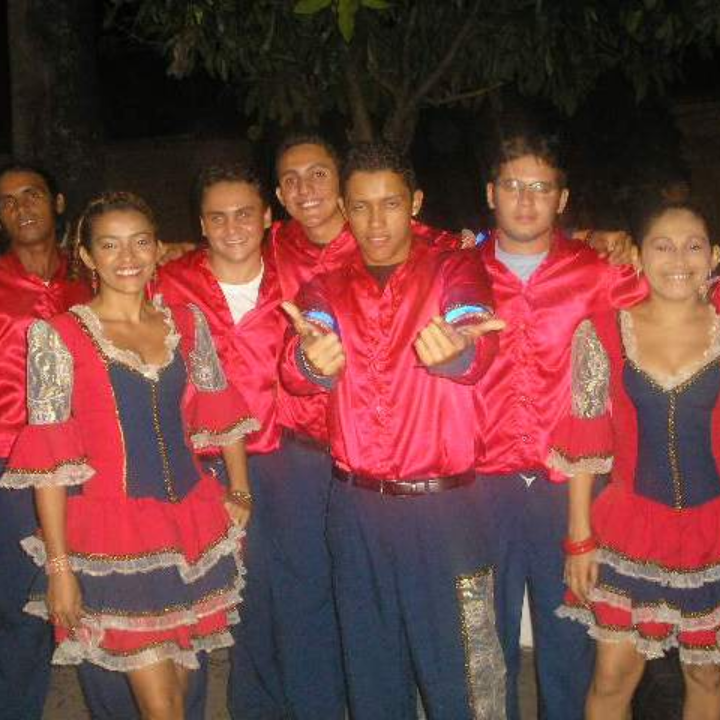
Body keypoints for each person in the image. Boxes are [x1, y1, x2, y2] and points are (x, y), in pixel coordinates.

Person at [0, 191, 258, 719]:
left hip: (190, 525)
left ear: (158, 248)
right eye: (110, 245)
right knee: (163, 707)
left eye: (140, 242)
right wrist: (59, 567)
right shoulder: (57, 336)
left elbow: (219, 405)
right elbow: (50, 465)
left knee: (182, 693)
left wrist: (240, 489)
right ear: (87, 256)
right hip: (114, 536)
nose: (127, 257)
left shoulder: (186, 322)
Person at [281, 142, 503, 720]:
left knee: (464, 674)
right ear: (345, 210)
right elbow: (298, 360)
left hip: (445, 511)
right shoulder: (327, 286)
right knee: (372, 672)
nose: (375, 222)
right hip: (356, 509)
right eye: (360, 207)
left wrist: (458, 350)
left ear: (415, 203)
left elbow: (475, 330)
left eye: (390, 204)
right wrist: (309, 361)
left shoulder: (453, 267)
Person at [470, 128, 644, 720]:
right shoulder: (455, 274)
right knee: (483, 641)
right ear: (491, 193)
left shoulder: (599, 273)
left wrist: (643, 248)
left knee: (570, 639)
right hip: (480, 487)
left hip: (570, 488)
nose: (525, 200)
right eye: (513, 185)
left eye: (540, 188)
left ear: (562, 200)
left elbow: (673, 306)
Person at [550, 200, 720, 720]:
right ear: (639, 258)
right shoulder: (603, 330)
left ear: (714, 257)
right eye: (662, 246)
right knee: (612, 677)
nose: (679, 259)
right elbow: (585, 443)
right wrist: (580, 539)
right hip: (630, 530)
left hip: (713, 533)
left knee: (708, 674)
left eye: (693, 246)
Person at [155, 162, 290, 719]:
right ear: (201, 225)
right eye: (217, 217)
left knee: (269, 599)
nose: (232, 227)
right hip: (195, 463)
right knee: (192, 604)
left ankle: (258, 709)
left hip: (280, 458)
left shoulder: (295, 278)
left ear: (267, 217)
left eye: (243, 214)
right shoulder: (168, 283)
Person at [0, 161, 89, 720]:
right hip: (12, 463)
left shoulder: (91, 278)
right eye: (7, 201)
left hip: (90, 463)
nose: (20, 208)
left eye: (31, 195)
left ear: (57, 203)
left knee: (97, 595)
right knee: (23, 605)